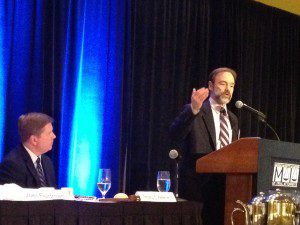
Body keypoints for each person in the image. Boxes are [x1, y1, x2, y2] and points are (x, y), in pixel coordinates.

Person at [169, 67, 239, 225]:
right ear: (211, 86)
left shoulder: (233, 119)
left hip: (226, 190)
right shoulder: (196, 111)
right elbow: (174, 135)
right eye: (222, 84)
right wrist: (193, 109)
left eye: (232, 85)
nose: (228, 89)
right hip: (198, 192)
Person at [0, 112, 57, 188]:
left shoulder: (47, 162)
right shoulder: (12, 164)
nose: (54, 136)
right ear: (34, 140)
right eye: (49, 133)